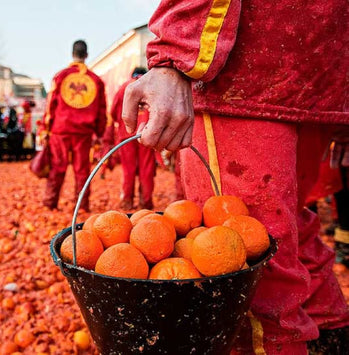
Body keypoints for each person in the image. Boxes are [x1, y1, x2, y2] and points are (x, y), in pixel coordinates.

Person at [122, 1, 348, 354]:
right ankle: (330, 336)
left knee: (249, 278)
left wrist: (175, 56)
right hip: (315, 71)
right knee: (289, 233)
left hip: (249, 73)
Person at [42, 40, 107, 211]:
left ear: (72, 54)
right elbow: (102, 110)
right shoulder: (96, 81)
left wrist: (45, 129)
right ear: (86, 55)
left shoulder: (60, 76)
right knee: (82, 171)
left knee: (57, 167)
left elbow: (50, 106)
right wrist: (99, 133)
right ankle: (82, 207)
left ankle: (50, 204)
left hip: (60, 130)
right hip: (83, 133)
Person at [109, 67, 155, 210]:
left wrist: (123, 124)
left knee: (128, 169)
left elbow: (113, 111)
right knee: (146, 169)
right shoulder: (151, 86)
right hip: (147, 133)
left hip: (127, 134)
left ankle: (127, 202)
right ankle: (145, 203)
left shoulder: (124, 87)